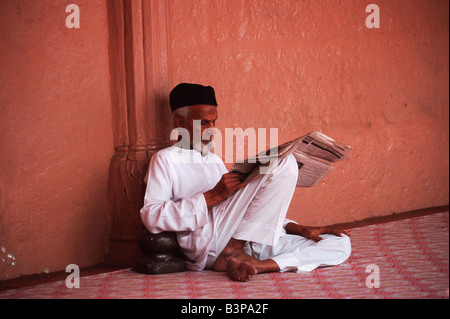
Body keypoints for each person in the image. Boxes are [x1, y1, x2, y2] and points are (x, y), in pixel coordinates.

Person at [140, 83, 351, 282]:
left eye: (215, 122)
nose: (212, 129)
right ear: (179, 122)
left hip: (244, 239)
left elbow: (247, 207)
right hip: (209, 241)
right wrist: (212, 196)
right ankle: (232, 252)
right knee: (283, 161)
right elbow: (150, 215)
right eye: (204, 122)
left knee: (340, 243)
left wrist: (296, 227)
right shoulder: (165, 159)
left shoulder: (213, 160)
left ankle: (261, 265)